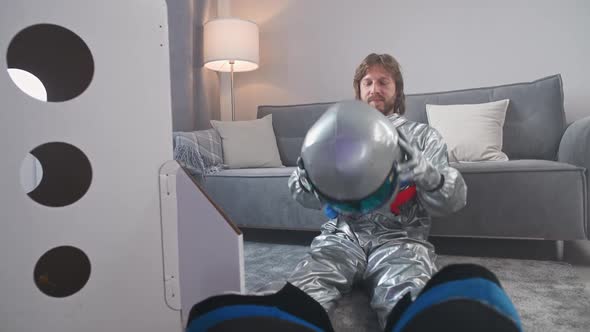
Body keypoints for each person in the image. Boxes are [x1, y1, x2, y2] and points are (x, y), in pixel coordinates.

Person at [287, 53, 468, 328]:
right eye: (368, 82)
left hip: (402, 241)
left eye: (384, 82)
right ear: (359, 91)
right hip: (342, 237)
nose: (375, 89)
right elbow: (306, 195)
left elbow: (453, 200)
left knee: (410, 304)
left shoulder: (422, 136)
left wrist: (431, 177)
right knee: (301, 296)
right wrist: (307, 179)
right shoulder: (340, 134)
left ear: (397, 90)